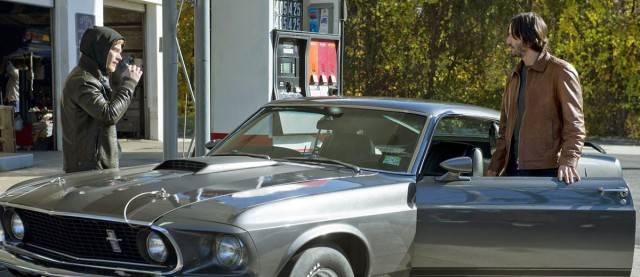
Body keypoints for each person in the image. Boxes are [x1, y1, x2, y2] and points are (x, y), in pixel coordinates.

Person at [486, 12, 585, 184]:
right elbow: (504, 129)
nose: (507, 41)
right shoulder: (514, 75)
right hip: (511, 172)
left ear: (526, 37)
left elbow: (575, 125)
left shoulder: (561, 72)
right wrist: (494, 167)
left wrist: (568, 161)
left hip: (546, 175)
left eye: (511, 35)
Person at [61, 26, 142, 173]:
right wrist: (129, 84)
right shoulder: (83, 81)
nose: (120, 57)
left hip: (96, 166)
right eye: (116, 50)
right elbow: (109, 115)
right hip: (89, 170)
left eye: (120, 52)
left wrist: (119, 82)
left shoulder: (96, 78)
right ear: (100, 49)